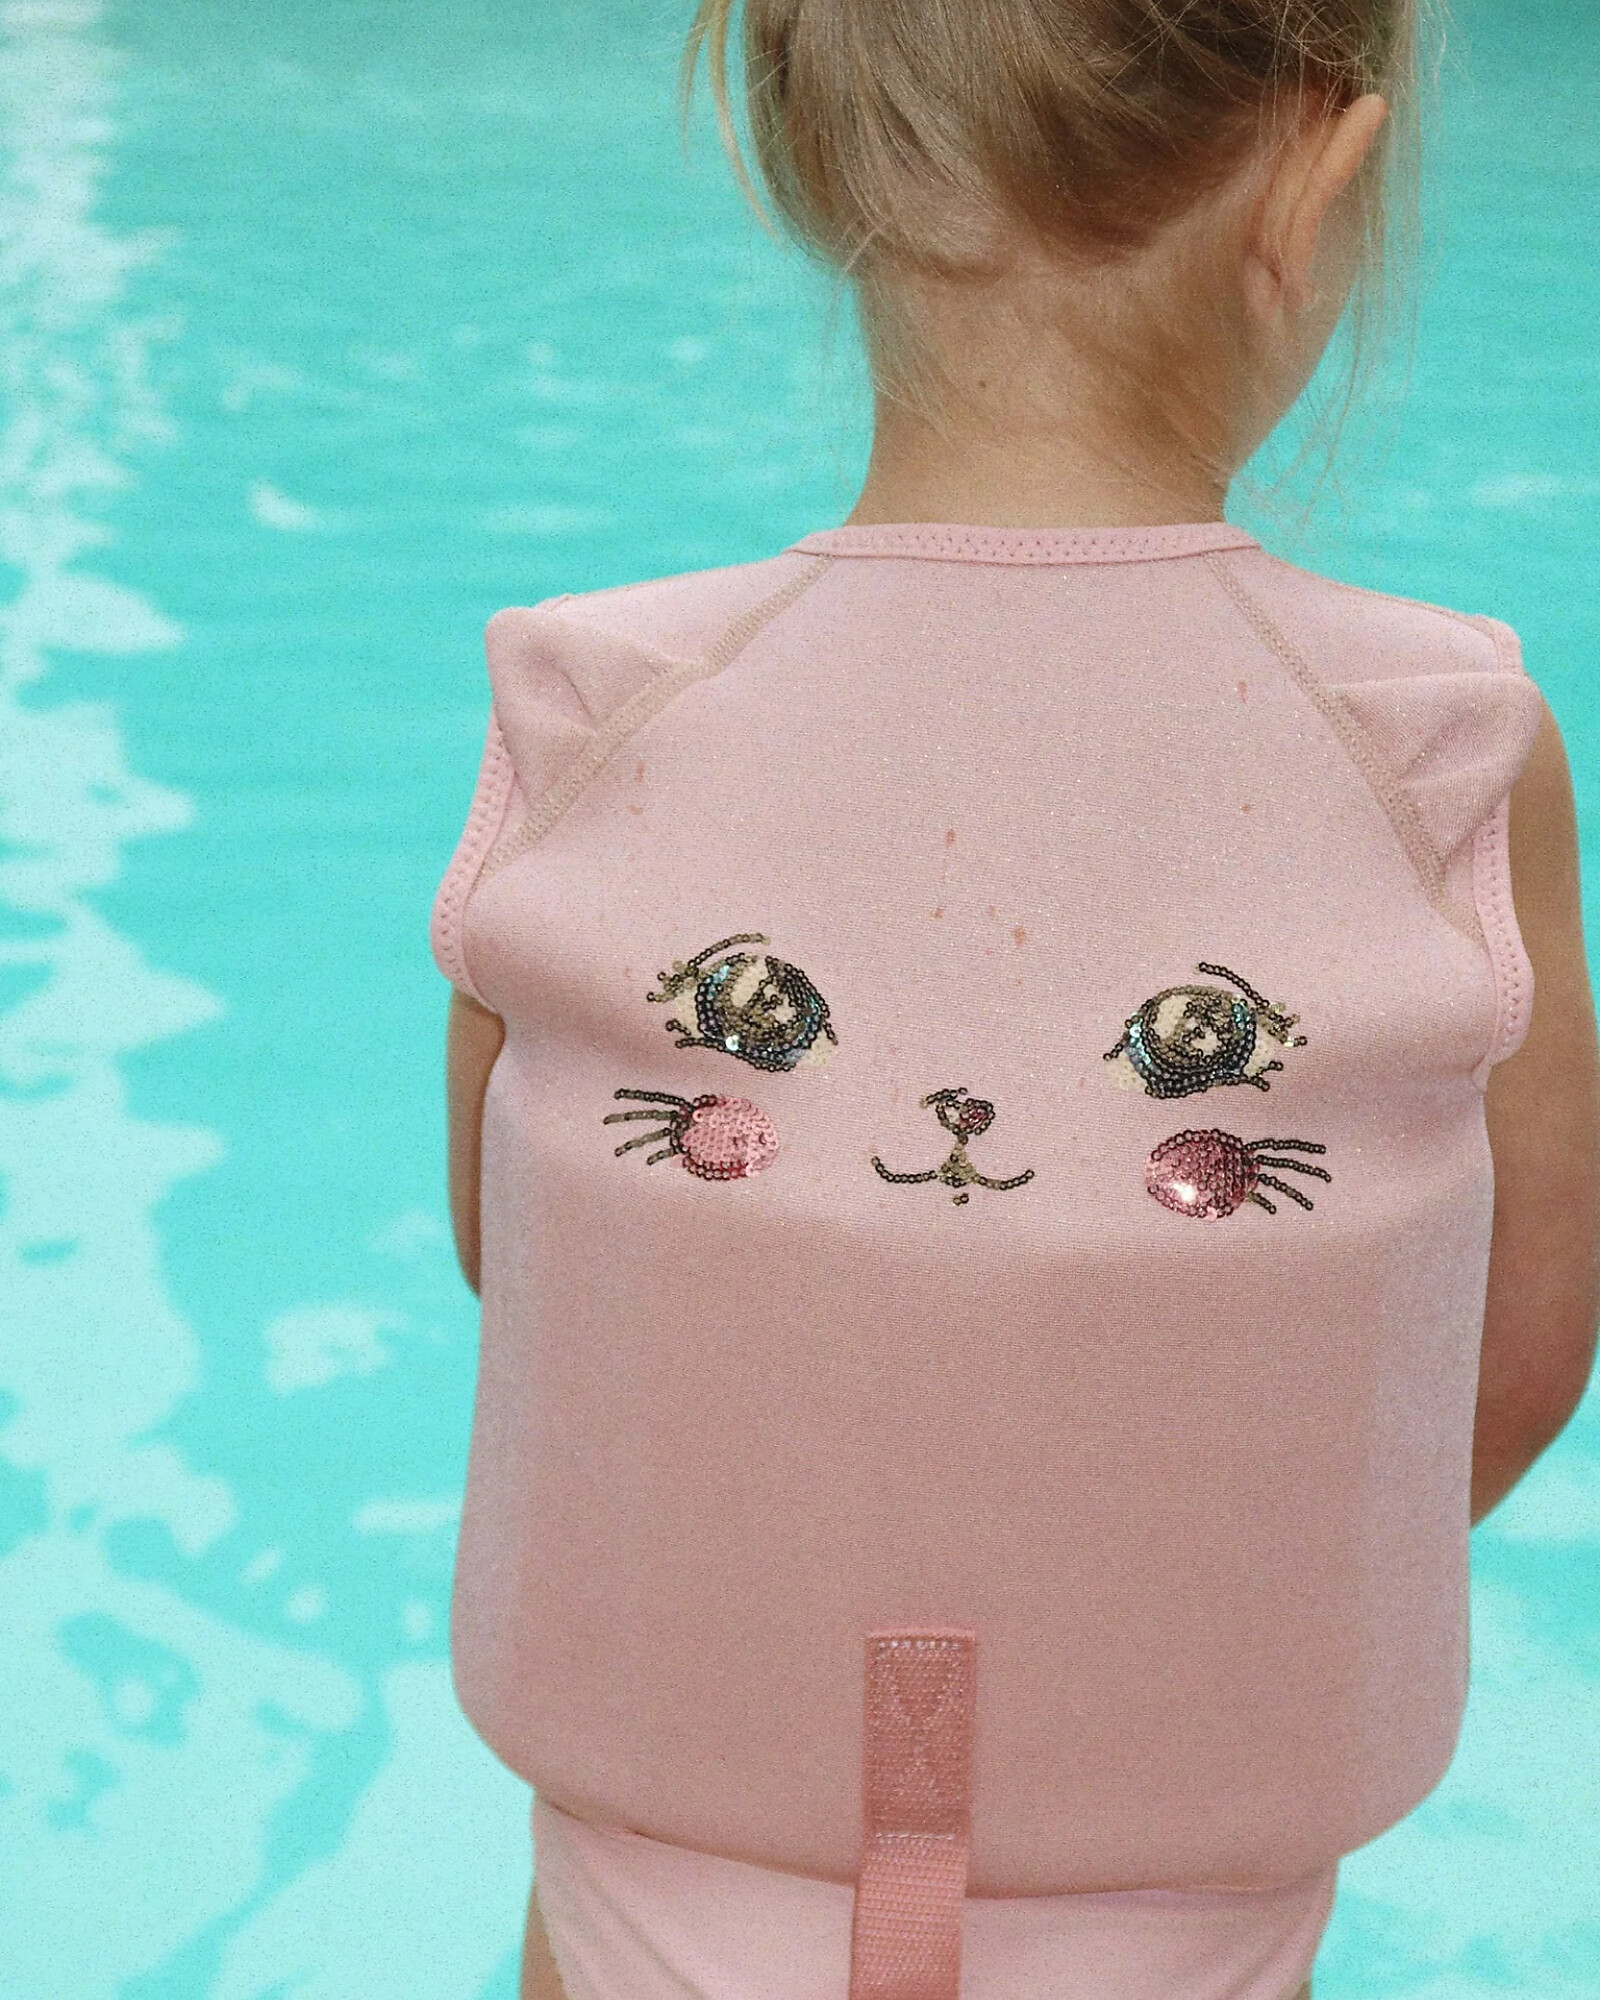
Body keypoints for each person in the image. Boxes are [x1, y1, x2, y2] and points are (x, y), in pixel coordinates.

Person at [434, 3, 1600, 1996]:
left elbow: (535, 1266)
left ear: (812, 148)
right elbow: (1505, 1360)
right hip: (1186, 1916)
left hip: (643, 1885)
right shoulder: (1436, 746)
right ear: (1316, 182)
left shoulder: (594, 702)